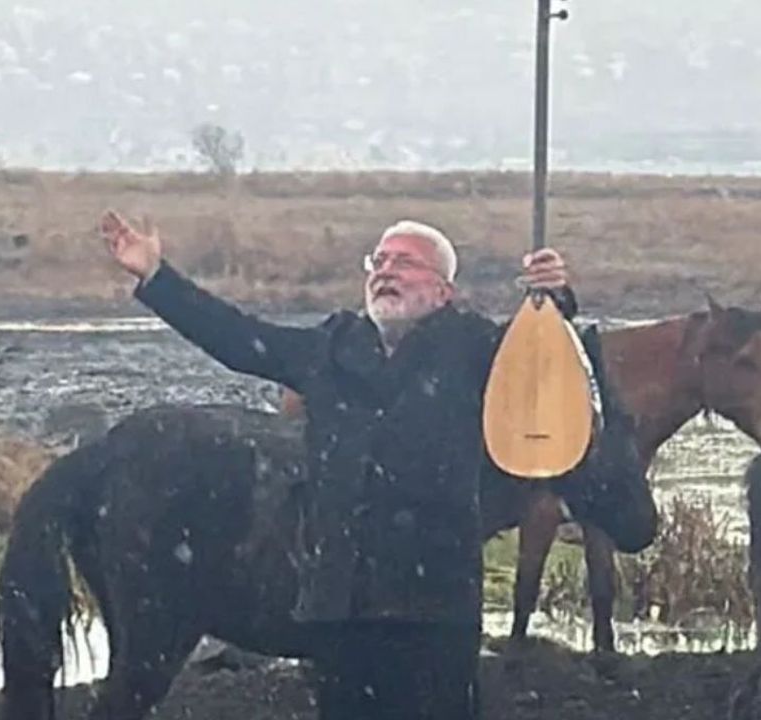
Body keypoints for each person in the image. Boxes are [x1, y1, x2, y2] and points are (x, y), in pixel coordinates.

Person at [102, 211, 574, 720]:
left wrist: (554, 299)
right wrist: (156, 277)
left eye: (406, 262)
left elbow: (546, 365)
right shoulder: (331, 348)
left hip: (435, 603)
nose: (386, 270)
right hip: (338, 602)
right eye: (380, 260)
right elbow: (238, 339)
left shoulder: (476, 349)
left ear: (443, 291)